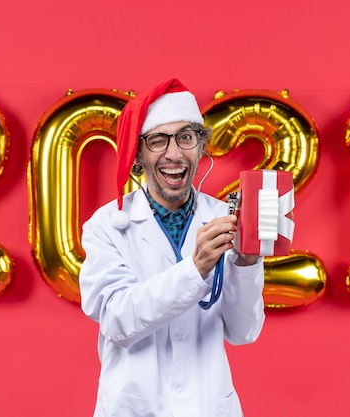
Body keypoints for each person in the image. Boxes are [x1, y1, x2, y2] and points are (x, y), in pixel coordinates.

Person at [79, 78, 268, 417]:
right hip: (133, 408)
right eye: (157, 141)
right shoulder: (106, 226)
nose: (174, 154)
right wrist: (195, 268)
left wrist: (246, 264)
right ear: (138, 154)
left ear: (200, 146)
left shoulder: (225, 217)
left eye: (185, 137)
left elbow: (243, 333)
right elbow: (118, 321)